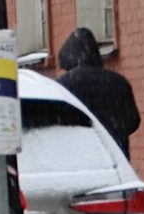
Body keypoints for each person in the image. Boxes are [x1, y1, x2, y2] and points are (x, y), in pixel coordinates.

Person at [56, 27, 139, 156]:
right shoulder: (119, 82)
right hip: (117, 153)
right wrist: (113, 131)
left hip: (80, 156)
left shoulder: (64, 84)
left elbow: (57, 121)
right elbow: (133, 120)